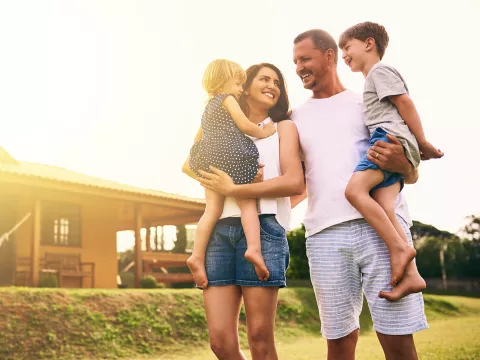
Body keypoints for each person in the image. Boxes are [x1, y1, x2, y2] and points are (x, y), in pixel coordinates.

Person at [183, 63, 304, 360]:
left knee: (260, 340)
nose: (272, 85)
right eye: (264, 79)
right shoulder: (218, 117)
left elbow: (294, 182)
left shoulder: (283, 128)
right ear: (244, 85)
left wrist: (237, 189)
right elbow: (189, 165)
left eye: (277, 82)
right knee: (221, 343)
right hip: (218, 232)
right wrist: (218, 182)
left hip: (263, 230)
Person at [338, 22, 442, 300]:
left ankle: (399, 248)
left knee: (354, 191)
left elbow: (405, 103)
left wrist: (422, 143)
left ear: (369, 43)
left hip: (387, 139)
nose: (343, 55)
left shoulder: (379, 72)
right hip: (394, 141)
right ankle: (412, 275)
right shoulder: (372, 78)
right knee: (386, 205)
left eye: (347, 47)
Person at [185, 59, 276, 288]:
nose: (239, 89)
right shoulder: (227, 99)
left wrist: (206, 174)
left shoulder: (207, 110)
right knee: (247, 205)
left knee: (211, 210)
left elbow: (191, 155)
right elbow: (245, 126)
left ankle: (196, 256)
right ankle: (254, 249)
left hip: (208, 160)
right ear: (224, 82)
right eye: (237, 84)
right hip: (231, 157)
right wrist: (264, 131)